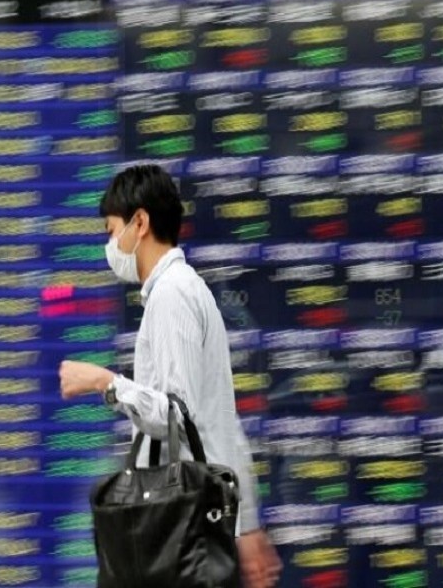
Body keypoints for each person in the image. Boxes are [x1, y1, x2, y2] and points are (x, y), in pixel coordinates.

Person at [57, 164, 281, 588]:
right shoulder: (185, 289)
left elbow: (177, 416)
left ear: (139, 223)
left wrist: (105, 383)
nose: (111, 244)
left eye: (111, 230)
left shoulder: (172, 295)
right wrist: (247, 522)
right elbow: (221, 422)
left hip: (179, 531)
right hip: (198, 528)